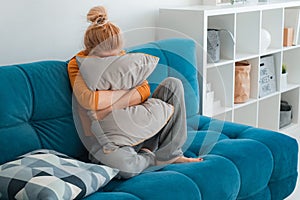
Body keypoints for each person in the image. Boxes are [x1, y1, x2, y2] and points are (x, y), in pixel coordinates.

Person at [68, 5, 202, 179]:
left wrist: (109, 107)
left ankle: (172, 154)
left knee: (173, 85)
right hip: (110, 140)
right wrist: (126, 95)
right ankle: (149, 155)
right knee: (124, 168)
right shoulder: (76, 65)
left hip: (140, 122)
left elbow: (144, 91)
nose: (111, 62)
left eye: (115, 57)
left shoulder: (124, 58)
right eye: (104, 59)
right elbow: (89, 101)